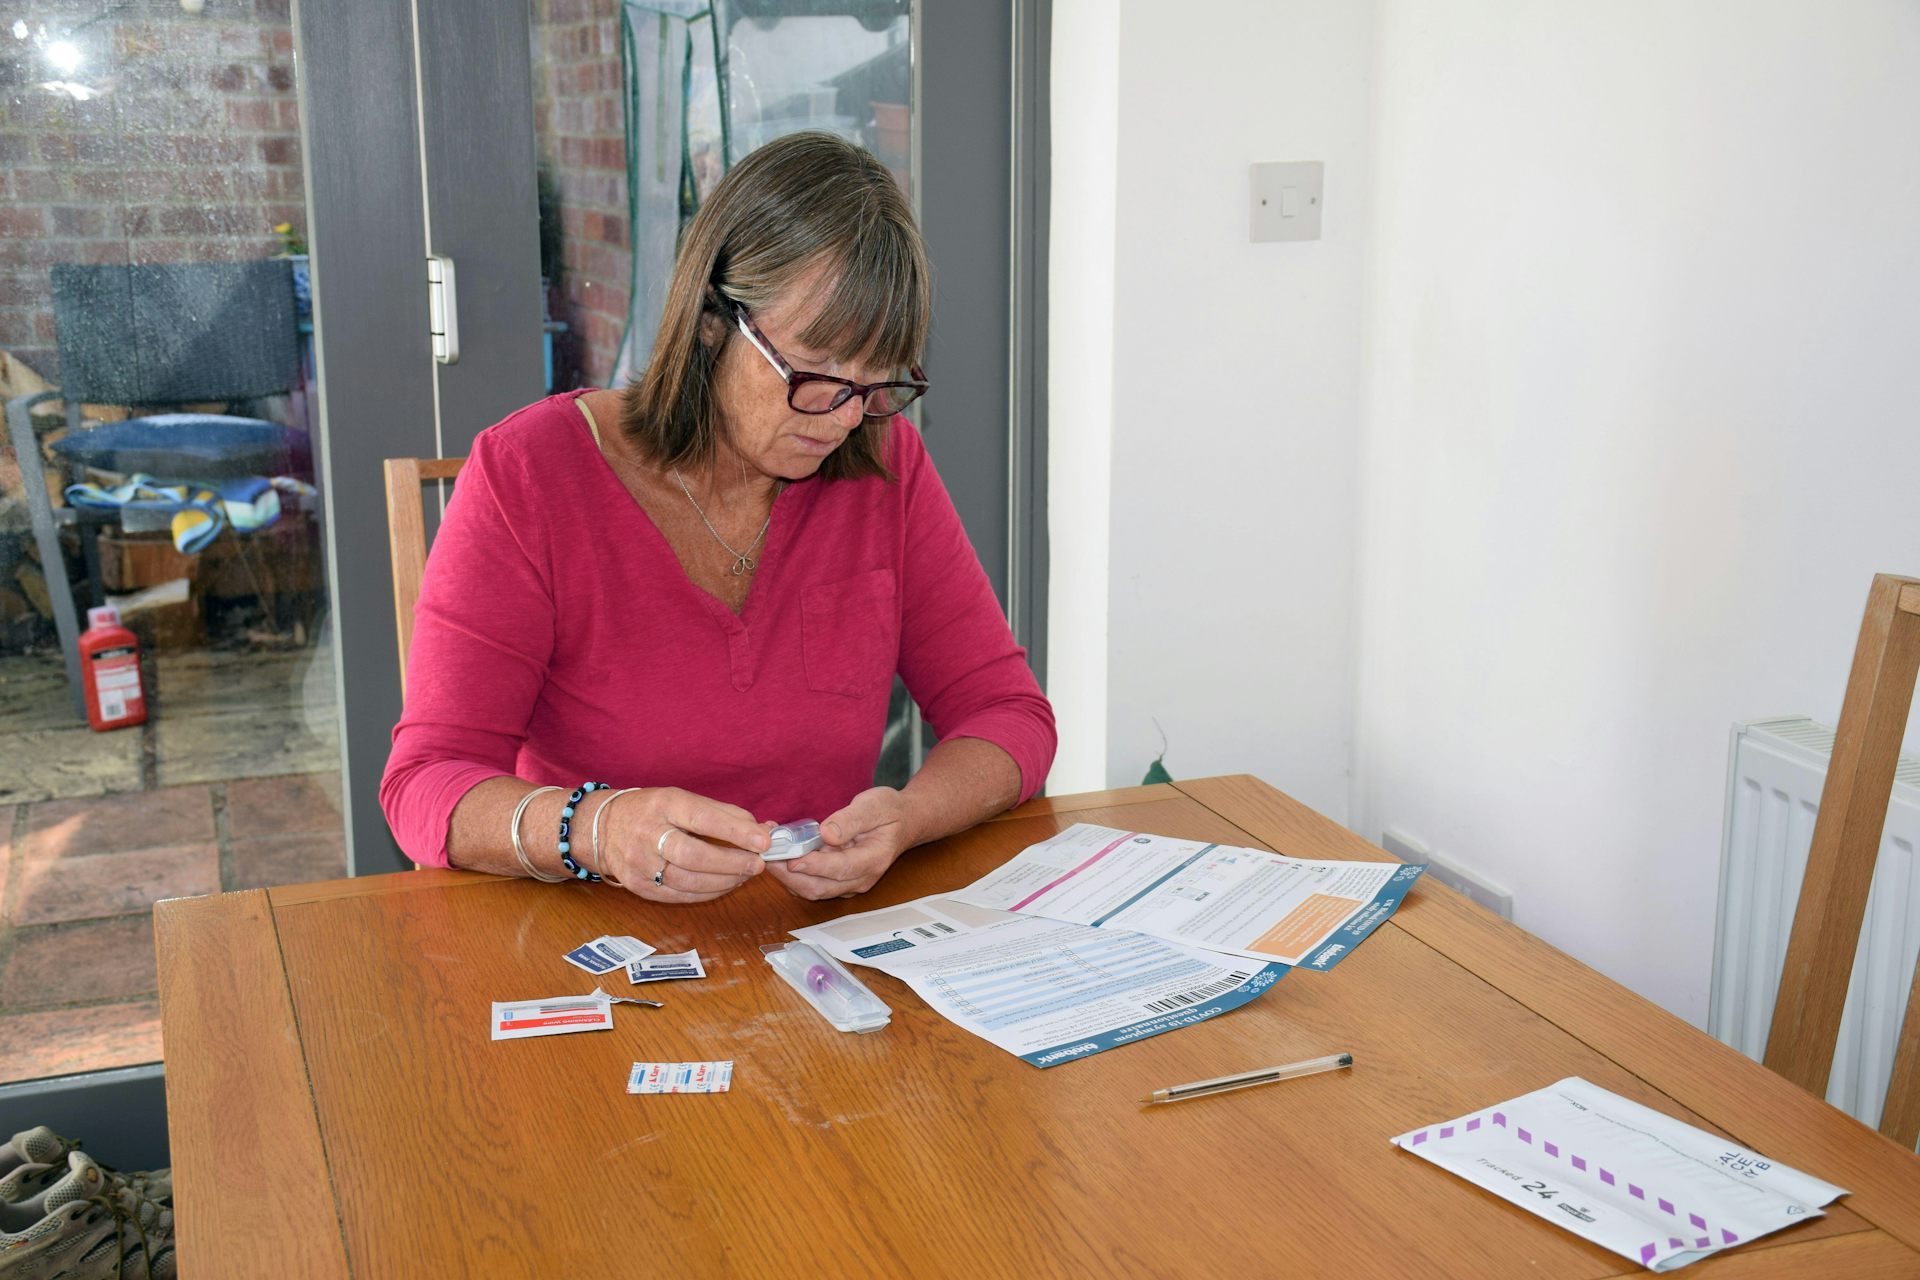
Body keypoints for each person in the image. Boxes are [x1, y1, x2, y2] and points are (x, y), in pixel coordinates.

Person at [380, 131, 1055, 902]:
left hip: (809, 938)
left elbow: (1009, 715)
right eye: (816, 374)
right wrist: (597, 829)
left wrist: (908, 817)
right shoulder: (530, 474)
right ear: (711, 318)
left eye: (874, 384)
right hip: (587, 934)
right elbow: (424, 786)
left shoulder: (882, 460)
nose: (842, 419)